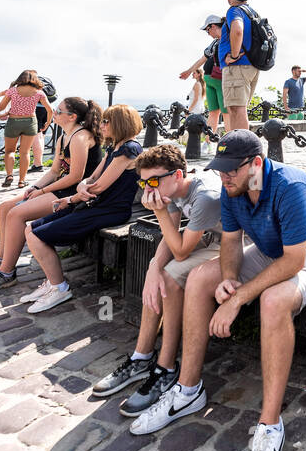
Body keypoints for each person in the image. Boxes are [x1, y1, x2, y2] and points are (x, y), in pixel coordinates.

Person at [128, 130, 306, 451]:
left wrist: (237, 299)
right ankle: (187, 390)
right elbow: (230, 242)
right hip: (268, 248)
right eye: (220, 169)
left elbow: (293, 261)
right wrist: (229, 278)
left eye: (231, 170)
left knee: (273, 300)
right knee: (200, 278)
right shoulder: (232, 188)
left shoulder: (289, 186)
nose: (223, 176)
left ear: (255, 164)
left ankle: (269, 426)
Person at [91, 144, 223, 416]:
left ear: (177, 175)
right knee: (160, 274)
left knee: (171, 276)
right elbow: (170, 235)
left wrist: (160, 214)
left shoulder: (204, 196)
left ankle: (166, 367)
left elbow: (181, 250)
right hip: (209, 237)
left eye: (153, 181)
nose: (147, 188)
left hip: (234, 244)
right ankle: (142, 357)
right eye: (143, 181)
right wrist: (152, 268)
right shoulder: (173, 190)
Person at [14, 104, 144, 313]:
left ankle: (60, 288)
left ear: (119, 123)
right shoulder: (115, 146)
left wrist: (73, 198)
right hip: (93, 204)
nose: (101, 125)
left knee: (37, 235)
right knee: (30, 229)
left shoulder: (129, 150)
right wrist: (82, 186)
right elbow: (92, 178)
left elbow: (100, 186)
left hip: (110, 210)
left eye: (106, 121)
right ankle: (51, 282)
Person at [0, 96, 103, 294]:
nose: (53, 114)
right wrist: (35, 186)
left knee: (16, 214)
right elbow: (55, 171)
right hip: (59, 187)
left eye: (58, 111)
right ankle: (1, 257)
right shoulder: (64, 137)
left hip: (75, 193)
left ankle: (6, 273)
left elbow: (76, 176)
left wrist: (42, 191)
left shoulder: (81, 137)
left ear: (72, 116)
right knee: (5, 207)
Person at [0, 71, 53, 189]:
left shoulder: (12, 91)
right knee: (25, 152)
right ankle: (21, 181)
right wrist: (47, 122)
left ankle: (9, 175)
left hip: (13, 122)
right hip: (30, 122)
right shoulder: (39, 93)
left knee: (10, 151)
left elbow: (0, 107)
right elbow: (50, 110)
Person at [220, 0, 259, 132]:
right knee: (239, 109)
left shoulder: (234, 10)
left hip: (237, 66)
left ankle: (243, 150)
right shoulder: (252, 12)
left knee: (236, 110)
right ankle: (240, 148)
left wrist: (234, 55)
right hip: (251, 66)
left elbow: (237, 30)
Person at [181, 14, 226, 136]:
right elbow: (202, 59)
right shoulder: (214, 43)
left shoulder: (227, 40)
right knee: (213, 112)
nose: (208, 33)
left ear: (213, 26)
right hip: (210, 79)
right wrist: (190, 71)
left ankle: (230, 141)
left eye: (207, 30)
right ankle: (208, 141)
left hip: (221, 80)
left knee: (226, 112)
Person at [27, 75, 56, 173]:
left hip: (37, 109)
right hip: (48, 109)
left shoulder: (30, 81)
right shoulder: (46, 80)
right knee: (41, 136)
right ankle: (37, 162)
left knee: (37, 136)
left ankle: (38, 164)